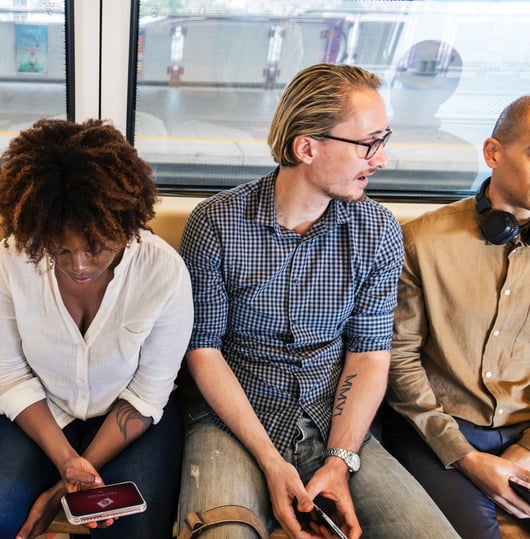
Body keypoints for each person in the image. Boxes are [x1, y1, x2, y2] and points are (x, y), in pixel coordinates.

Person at [177, 63, 458, 539]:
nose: (382, 158)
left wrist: (340, 461)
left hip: (336, 422)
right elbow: (202, 349)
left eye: (383, 139)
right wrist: (270, 460)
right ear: (306, 147)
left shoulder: (378, 232)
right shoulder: (216, 224)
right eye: (369, 143)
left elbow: (368, 354)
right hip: (233, 421)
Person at [0, 118, 193, 539]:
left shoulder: (163, 273)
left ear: (125, 223)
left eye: (96, 247)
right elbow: (8, 373)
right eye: (60, 249)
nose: (79, 265)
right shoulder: (13, 259)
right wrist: (65, 461)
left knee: (133, 534)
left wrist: (62, 487)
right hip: (40, 409)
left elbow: (148, 394)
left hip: (128, 420)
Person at [385, 95, 530, 538]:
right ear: (493, 153)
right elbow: (399, 361)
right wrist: (464, 456)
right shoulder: (420, 242)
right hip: (438, 432)